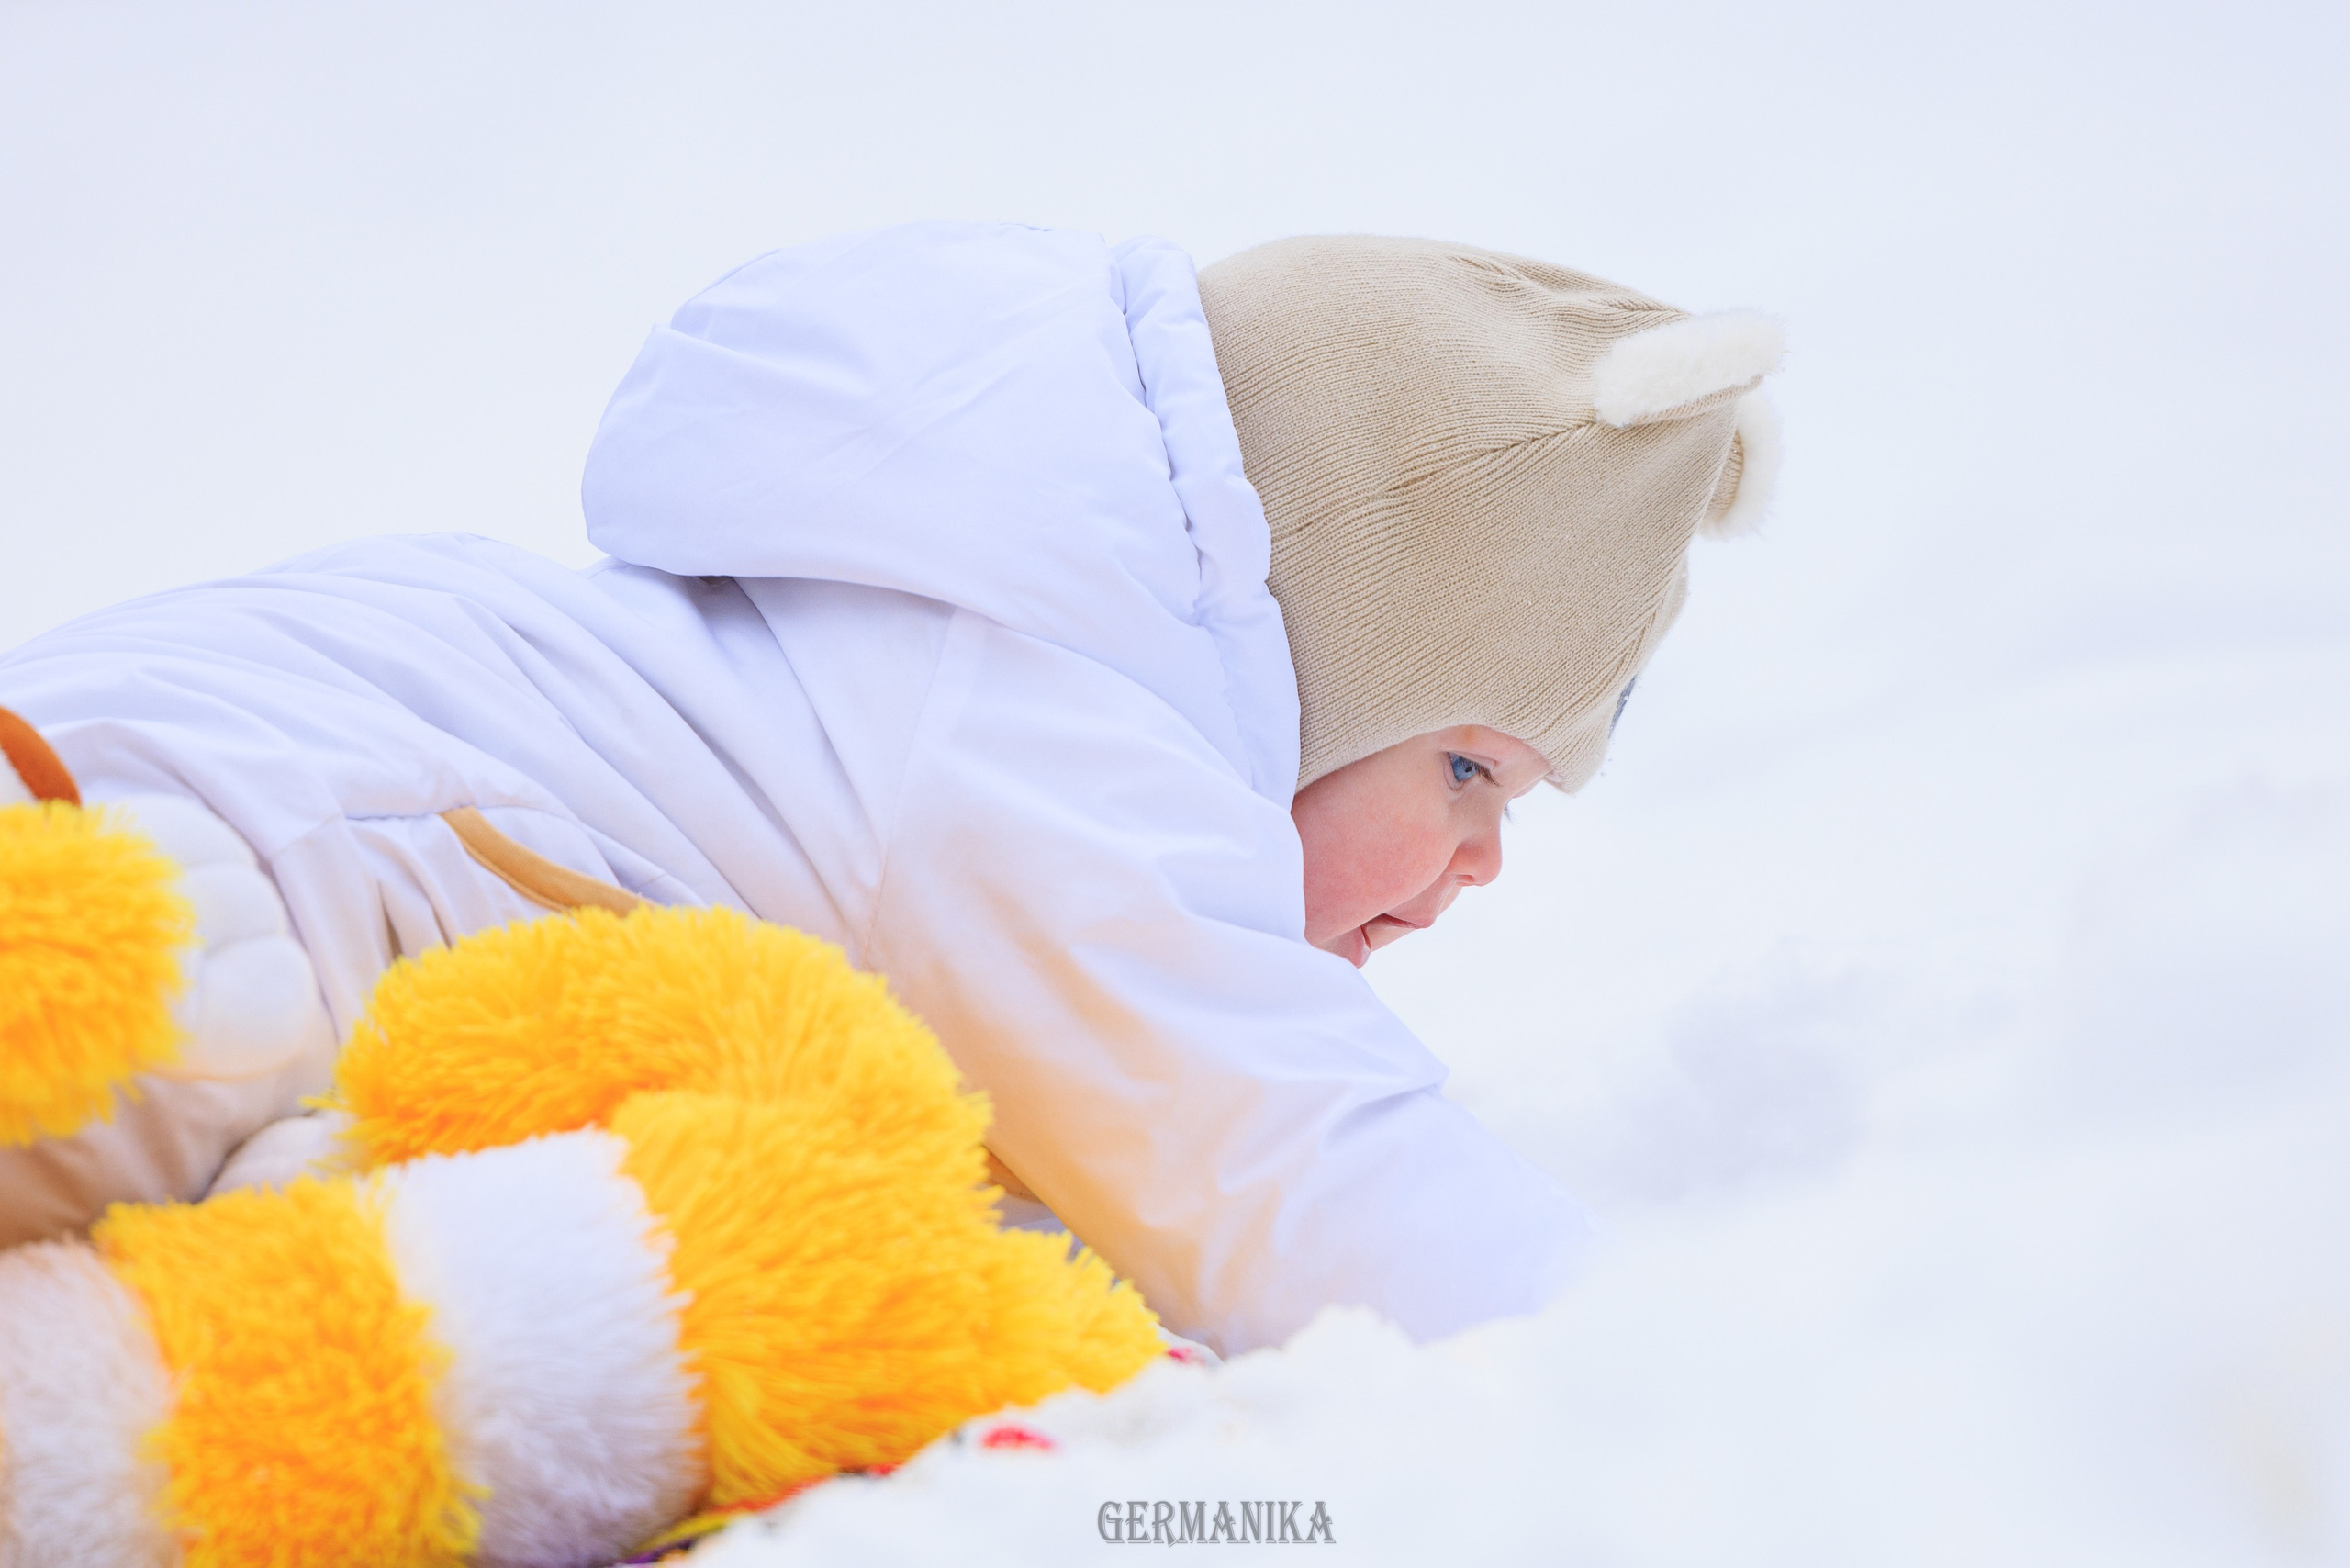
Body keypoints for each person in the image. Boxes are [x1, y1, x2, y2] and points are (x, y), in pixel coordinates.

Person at [0, 221, 1780, 1354]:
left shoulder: (897, 644)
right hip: (199, 881)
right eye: (1464, 763)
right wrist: (1638, 1351)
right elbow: (1279, 1166)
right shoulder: (1045, 736)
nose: (1474, 862)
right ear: (1303, 630)